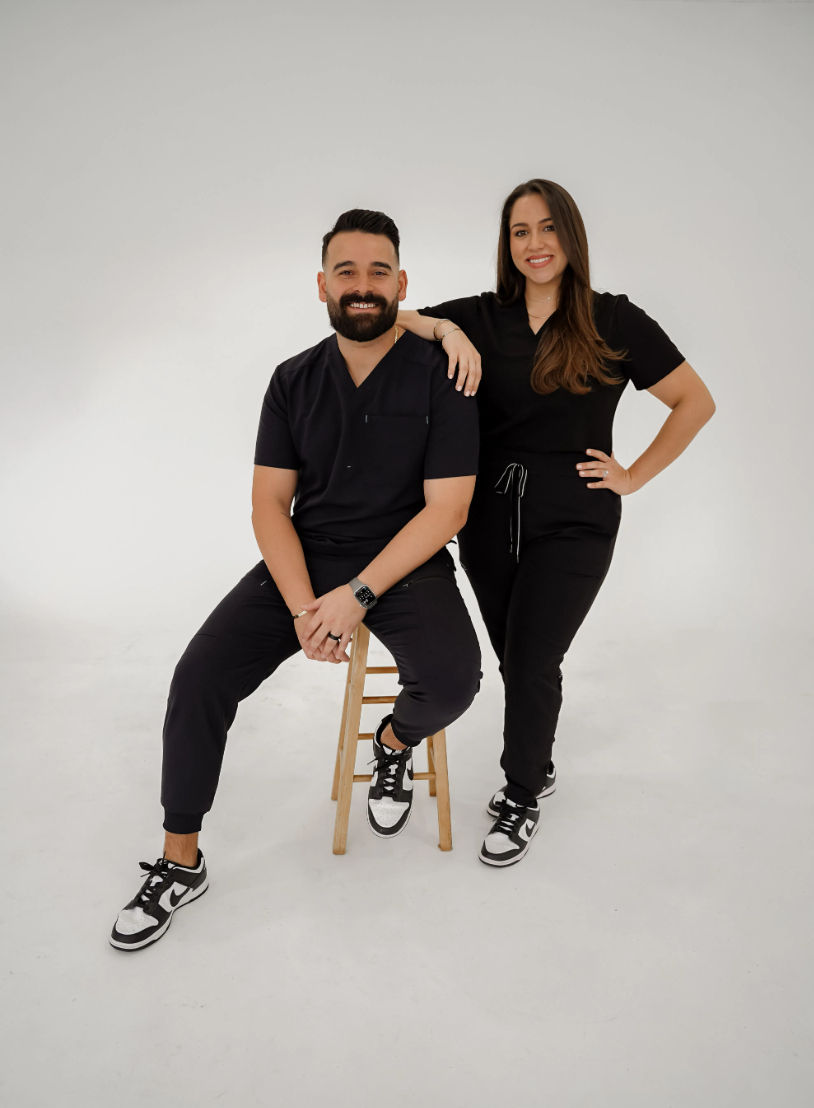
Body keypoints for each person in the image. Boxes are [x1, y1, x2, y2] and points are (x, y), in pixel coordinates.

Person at [109, 209, 481, 951]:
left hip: (405, 560)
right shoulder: (292, 380)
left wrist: (358, 599)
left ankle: (394, 745)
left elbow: (447, 511)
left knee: (455, 682)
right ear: (321, 285)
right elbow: (269, 504)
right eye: (346, 271)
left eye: (379, 272)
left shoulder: (445, 373)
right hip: (308, 559)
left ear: (402, 284)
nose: (363, 286)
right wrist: (307, 608)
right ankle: (181, 860)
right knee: (199, 676)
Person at [397, 178, 715, 868]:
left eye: (547, 229)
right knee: (518, 660)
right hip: (487, 516)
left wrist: (632, 474)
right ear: (506, 245)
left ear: (570, 236)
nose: (535, 244)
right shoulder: (480, 317)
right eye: (520, 232)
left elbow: (694, 400)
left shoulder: (615, 320)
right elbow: (392, 317)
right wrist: (445, 327)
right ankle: (537, 765)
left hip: (576, 517)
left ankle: (520, 793)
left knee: (537, 658)